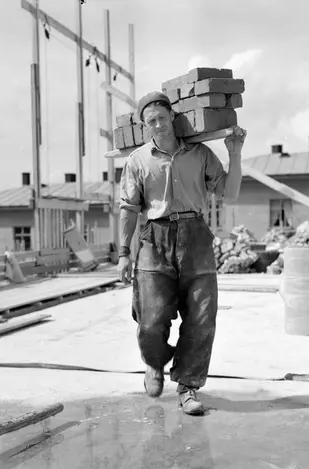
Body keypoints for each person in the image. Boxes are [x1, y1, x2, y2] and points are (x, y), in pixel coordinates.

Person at [117, 91, 246, 415]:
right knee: (150, 318)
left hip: (196, 237)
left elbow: (229, 193)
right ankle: (154, 363)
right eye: (151, 122)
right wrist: (123, 253)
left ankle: (188, 387)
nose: (158, 125)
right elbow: (128, 209)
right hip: (154, 238)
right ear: (144, 126)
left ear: (172, 117)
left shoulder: (200, 154)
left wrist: (235, 152)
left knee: (202, 317)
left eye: (162, 118)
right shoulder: (138, 161)